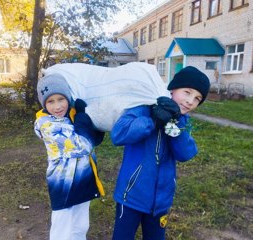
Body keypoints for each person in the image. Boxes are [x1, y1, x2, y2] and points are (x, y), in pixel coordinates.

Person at [110, 66, 210, 240]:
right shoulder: (143, 107)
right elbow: (118, 134)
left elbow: (185, 153)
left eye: (197, 98)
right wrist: (153, 121)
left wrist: (175, 122)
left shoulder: (182, 120)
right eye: (187, 92)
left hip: (161, 201)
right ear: (172, 88)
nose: (190, 101)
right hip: (131, 195)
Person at [34, 73, 105, 240]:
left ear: (68, 98)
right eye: (50, 101)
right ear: (44, 103)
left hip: (82, 179)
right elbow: (84, 145)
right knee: (62, 230)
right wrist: (82, 118)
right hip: (63, 185)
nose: (57, 106)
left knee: (80, 226)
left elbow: (93, 139)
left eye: (61, 99)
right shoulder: (47, 125)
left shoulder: (70, 116)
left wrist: (88, 121)